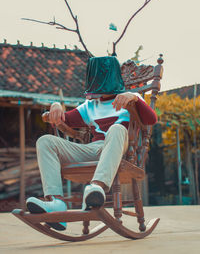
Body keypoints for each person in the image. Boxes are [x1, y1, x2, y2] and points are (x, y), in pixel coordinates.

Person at [26, 56, 157, 231]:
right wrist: (56, 105)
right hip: (93, 149)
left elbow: (151, 119)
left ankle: (96, 189)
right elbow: (65, 119)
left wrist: (133, 98)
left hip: (119, 150)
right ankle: (55, 202)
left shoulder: (131, 99)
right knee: (46, 141)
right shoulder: (90, 105)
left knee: (117, 129)